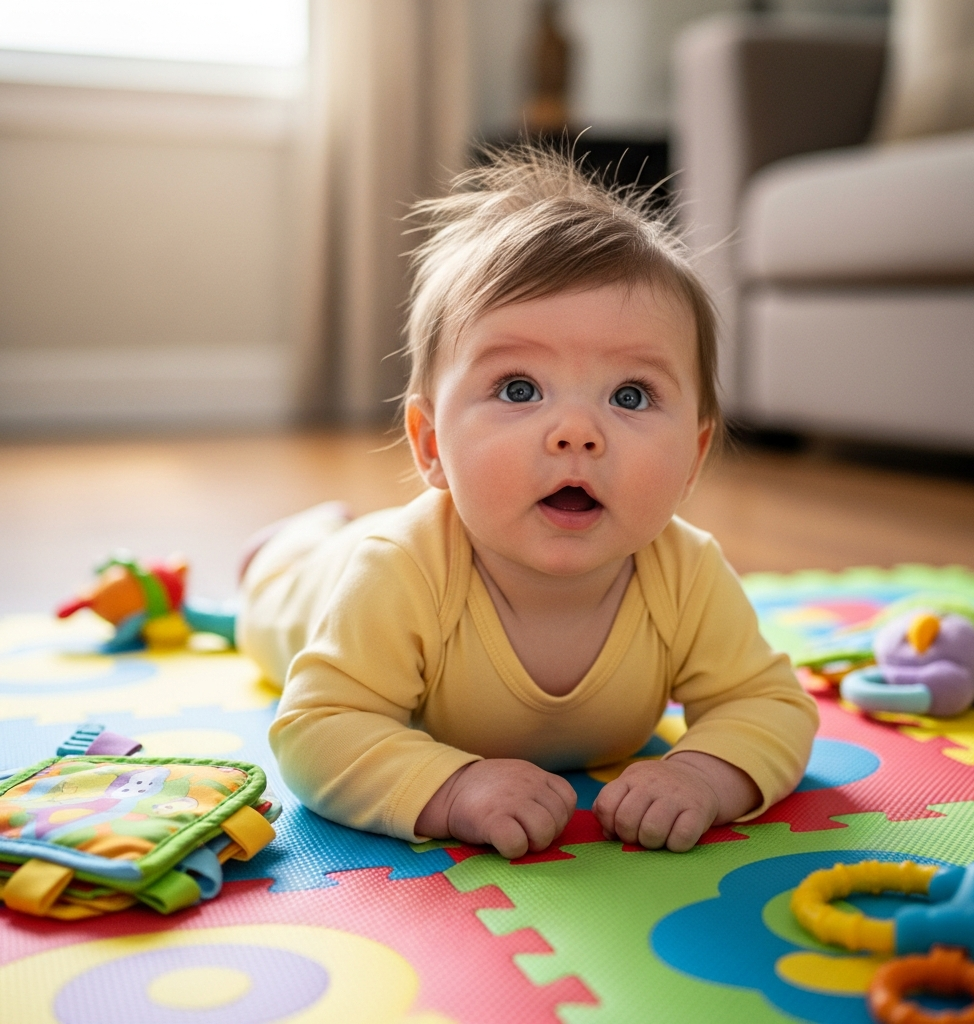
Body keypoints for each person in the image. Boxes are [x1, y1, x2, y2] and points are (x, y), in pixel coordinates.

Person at [238, 145, 819, 860]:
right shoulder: (398, 572)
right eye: (519, 389)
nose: (577, 433)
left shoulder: (688, 574)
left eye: (630, 395)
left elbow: (769, 705)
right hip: (320, 588)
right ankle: (290, 543)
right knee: (267, 602)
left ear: (693, 459)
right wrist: (455, 790)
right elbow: (319, 726)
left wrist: (704, 774)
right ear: (429, 446)